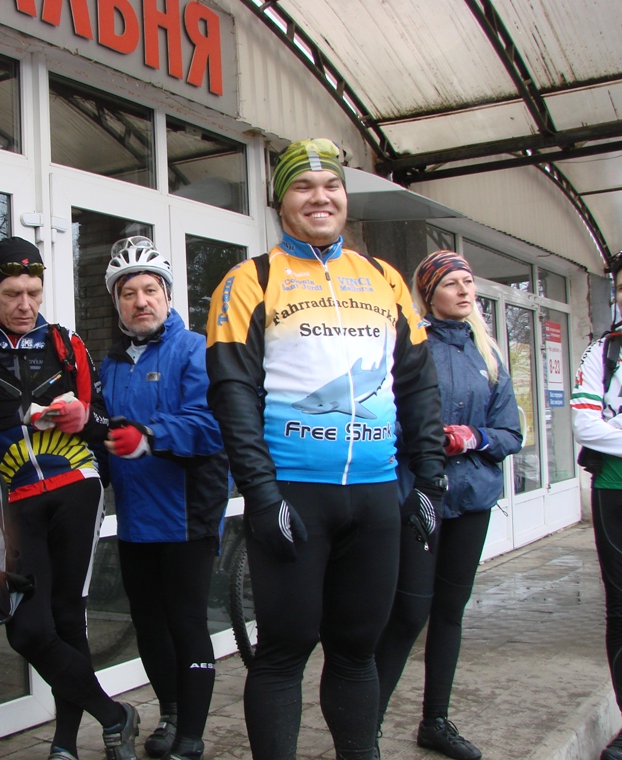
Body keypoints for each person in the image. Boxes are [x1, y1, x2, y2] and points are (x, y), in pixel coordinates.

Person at [204, 137, 447, 760]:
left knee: (357, 652)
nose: (320, 197)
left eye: (331, 185)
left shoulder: (385, 280)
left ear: (345, 196)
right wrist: (261, 494)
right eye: (303, 186)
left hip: (374, 497)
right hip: (294, 495)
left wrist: (429, 479)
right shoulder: (250, 280)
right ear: (280, 201)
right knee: (283, 652)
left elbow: (417, 384)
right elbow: (233, 395)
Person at [0, 236, 140, 760]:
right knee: (28, 629)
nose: (25, 305)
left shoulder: (66, 343)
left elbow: (106, 424)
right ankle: (114, 715)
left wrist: (86, 419)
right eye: (12, 294)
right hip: (9, 500)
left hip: (75, 487)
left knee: (67, 618)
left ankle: (64, 743)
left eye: (34, 293)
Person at [373, 250, 522, 760]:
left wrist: (474, 437)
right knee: (408, 613)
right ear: (428, 292)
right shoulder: (409, 343)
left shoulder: (489, 353)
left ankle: (435, 721)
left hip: (472, 500)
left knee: (450, 613)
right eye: (452, 283)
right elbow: (386, 416)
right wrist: (428, 439)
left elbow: (511, 432)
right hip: (420, 497)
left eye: (468, 282)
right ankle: (365, 729)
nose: (464, 290)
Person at [99, 237, 230, 760]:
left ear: (169, 296)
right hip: (135, 516)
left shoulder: (196, 349)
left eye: (150, 290)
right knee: (149, 624)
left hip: (186, 512)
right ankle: (171, 714)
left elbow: (211, 423)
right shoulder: (112, 363)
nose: (141, 302)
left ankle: (191, 736)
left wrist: (150, 436)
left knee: (186, 622)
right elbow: (107, 432)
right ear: (117, 303)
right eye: (128, 293)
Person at [572, 243, 622, 760]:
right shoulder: (600, 352)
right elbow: (584, 427)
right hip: (614, 492)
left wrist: (618, 426)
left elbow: (603, 426)